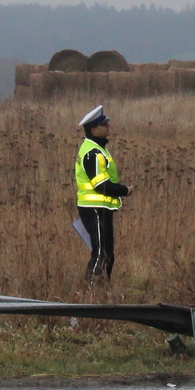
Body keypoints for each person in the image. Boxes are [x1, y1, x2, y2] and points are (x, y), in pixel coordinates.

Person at [74, 105, 131, 280]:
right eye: (104, 125)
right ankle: (91, 293)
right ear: (93, 130)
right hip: (94, 208)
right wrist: (124, 190)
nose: (108, 127)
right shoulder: (93, 152)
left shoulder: (98, 149)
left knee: (107, 253)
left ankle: (104, 288)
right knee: (101, 253)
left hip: (100, 208)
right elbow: (101, 185)